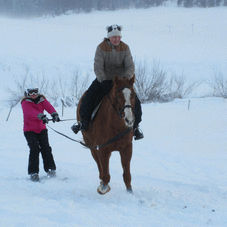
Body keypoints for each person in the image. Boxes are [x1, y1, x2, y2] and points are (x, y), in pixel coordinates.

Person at [72, 24, 144, 140]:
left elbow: (130, 65)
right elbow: (98, 66)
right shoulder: (101, 47)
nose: (116, 39)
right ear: (109, 37)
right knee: (88, 97)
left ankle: (135, 127)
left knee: (136, 101)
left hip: (121, 82)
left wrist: (126, 77)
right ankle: (83, 122)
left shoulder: (125, 47)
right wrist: (103, 80)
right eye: (113, 37)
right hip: (104, 80)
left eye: (118, 37)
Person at [21, 83, 60, 182]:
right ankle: (33, 173)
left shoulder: (42, 100)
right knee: (34, 149)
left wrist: (54, 114)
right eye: (31, 92)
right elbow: (30, 112)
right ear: (27, 93)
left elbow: (49, 107)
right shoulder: (25, 102)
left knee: (46, 148)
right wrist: (41, 116)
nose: (33, 94)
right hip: (29, 130)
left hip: (41, 129)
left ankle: (50, 169)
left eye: (35, 92)